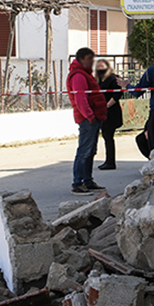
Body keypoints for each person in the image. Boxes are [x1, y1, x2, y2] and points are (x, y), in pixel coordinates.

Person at [67, 47, 107, 195]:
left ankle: (87, 181)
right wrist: (90, 116)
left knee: (90, 151)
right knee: (84, 151)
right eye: (90, 59)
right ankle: (77, 183)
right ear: (82, 59)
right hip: (87, 119)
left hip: (93, 118)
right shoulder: (78, 76)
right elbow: (81, 99)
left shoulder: (85, 74)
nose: (92, 62)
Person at [95, 59, 123, 170]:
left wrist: (106, 105)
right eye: (98, 67)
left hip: (111, 112)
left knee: (108, 136)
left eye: (102, 66)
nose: (100, 69)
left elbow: (117, 95)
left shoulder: (113, 78)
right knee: (106, 136)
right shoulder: (99, 80)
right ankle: (109, 160)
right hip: (102, 111)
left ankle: (110, 161)